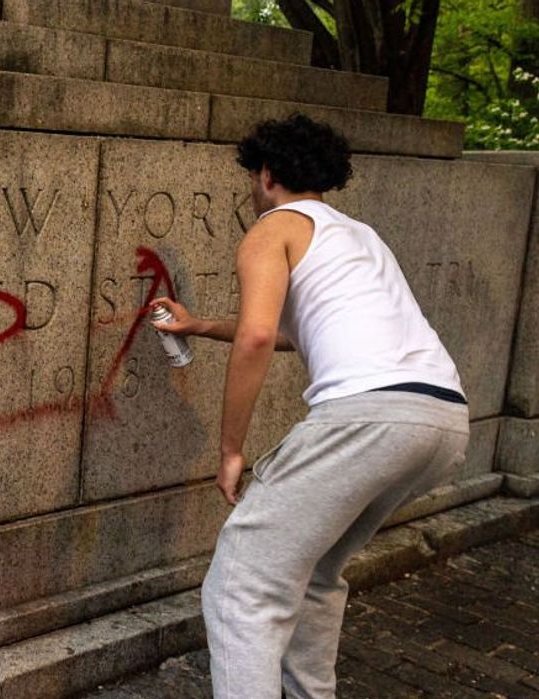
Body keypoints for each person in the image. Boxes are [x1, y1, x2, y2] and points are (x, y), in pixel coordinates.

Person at [151, 113, 469, 699]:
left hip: (366, 416)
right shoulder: (359, 235)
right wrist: (199, 325)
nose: (251, 190)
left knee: (241, 587)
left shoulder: (273, 228)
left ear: (266, 173)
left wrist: (230, 449)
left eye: (252, 177)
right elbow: (290, 333)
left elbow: (254, 340)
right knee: (318, 574)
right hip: (442, 419)